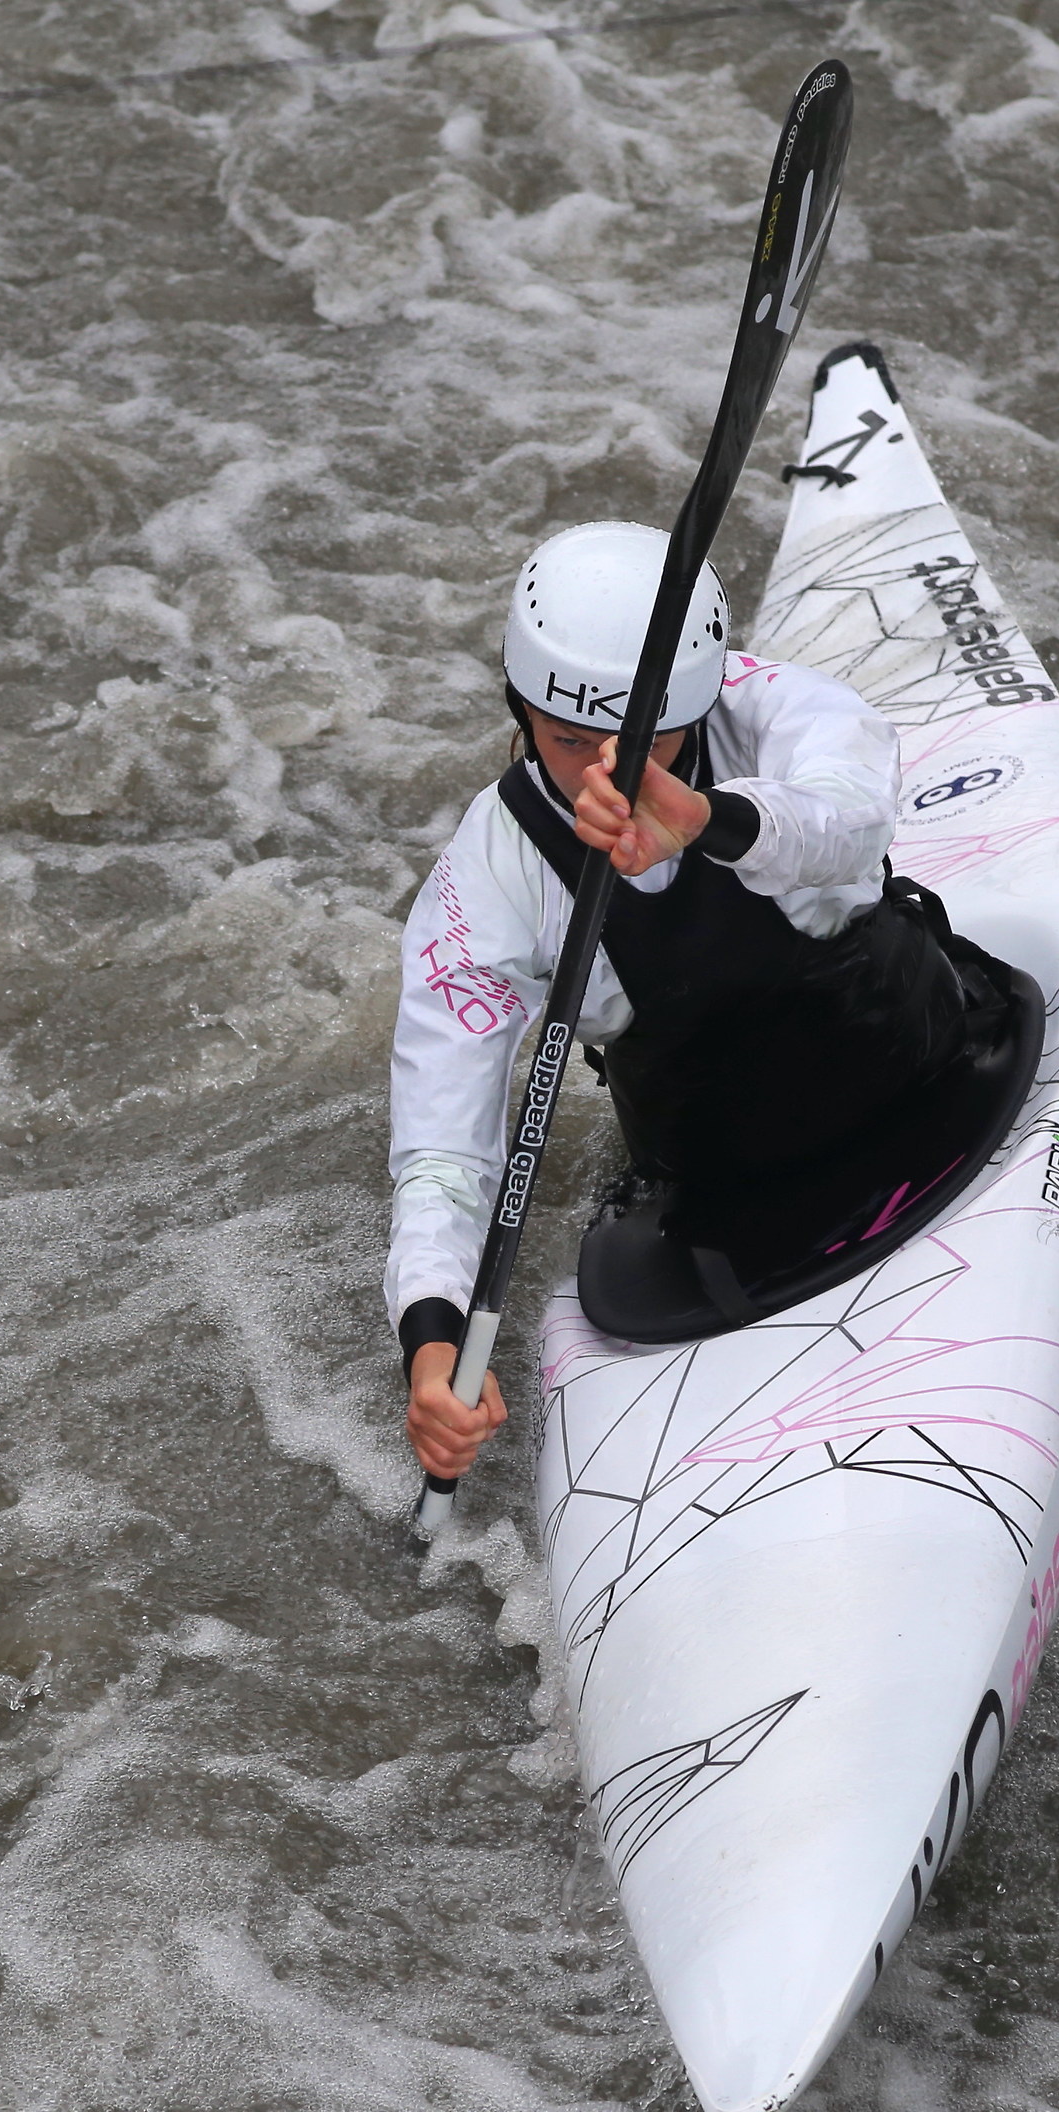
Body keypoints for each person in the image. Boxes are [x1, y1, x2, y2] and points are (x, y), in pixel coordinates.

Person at [389, 520, 993, 1482]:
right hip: (720, 1203)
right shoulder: (489, 874)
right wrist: (431, 1337)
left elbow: (853, 815)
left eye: (640, 743)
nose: (604, 772)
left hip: (940, 1075)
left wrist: (717, 822)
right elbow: (444, 1143)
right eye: (566, 738)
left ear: (697, 700)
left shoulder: (772, 710)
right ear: (521, 705)